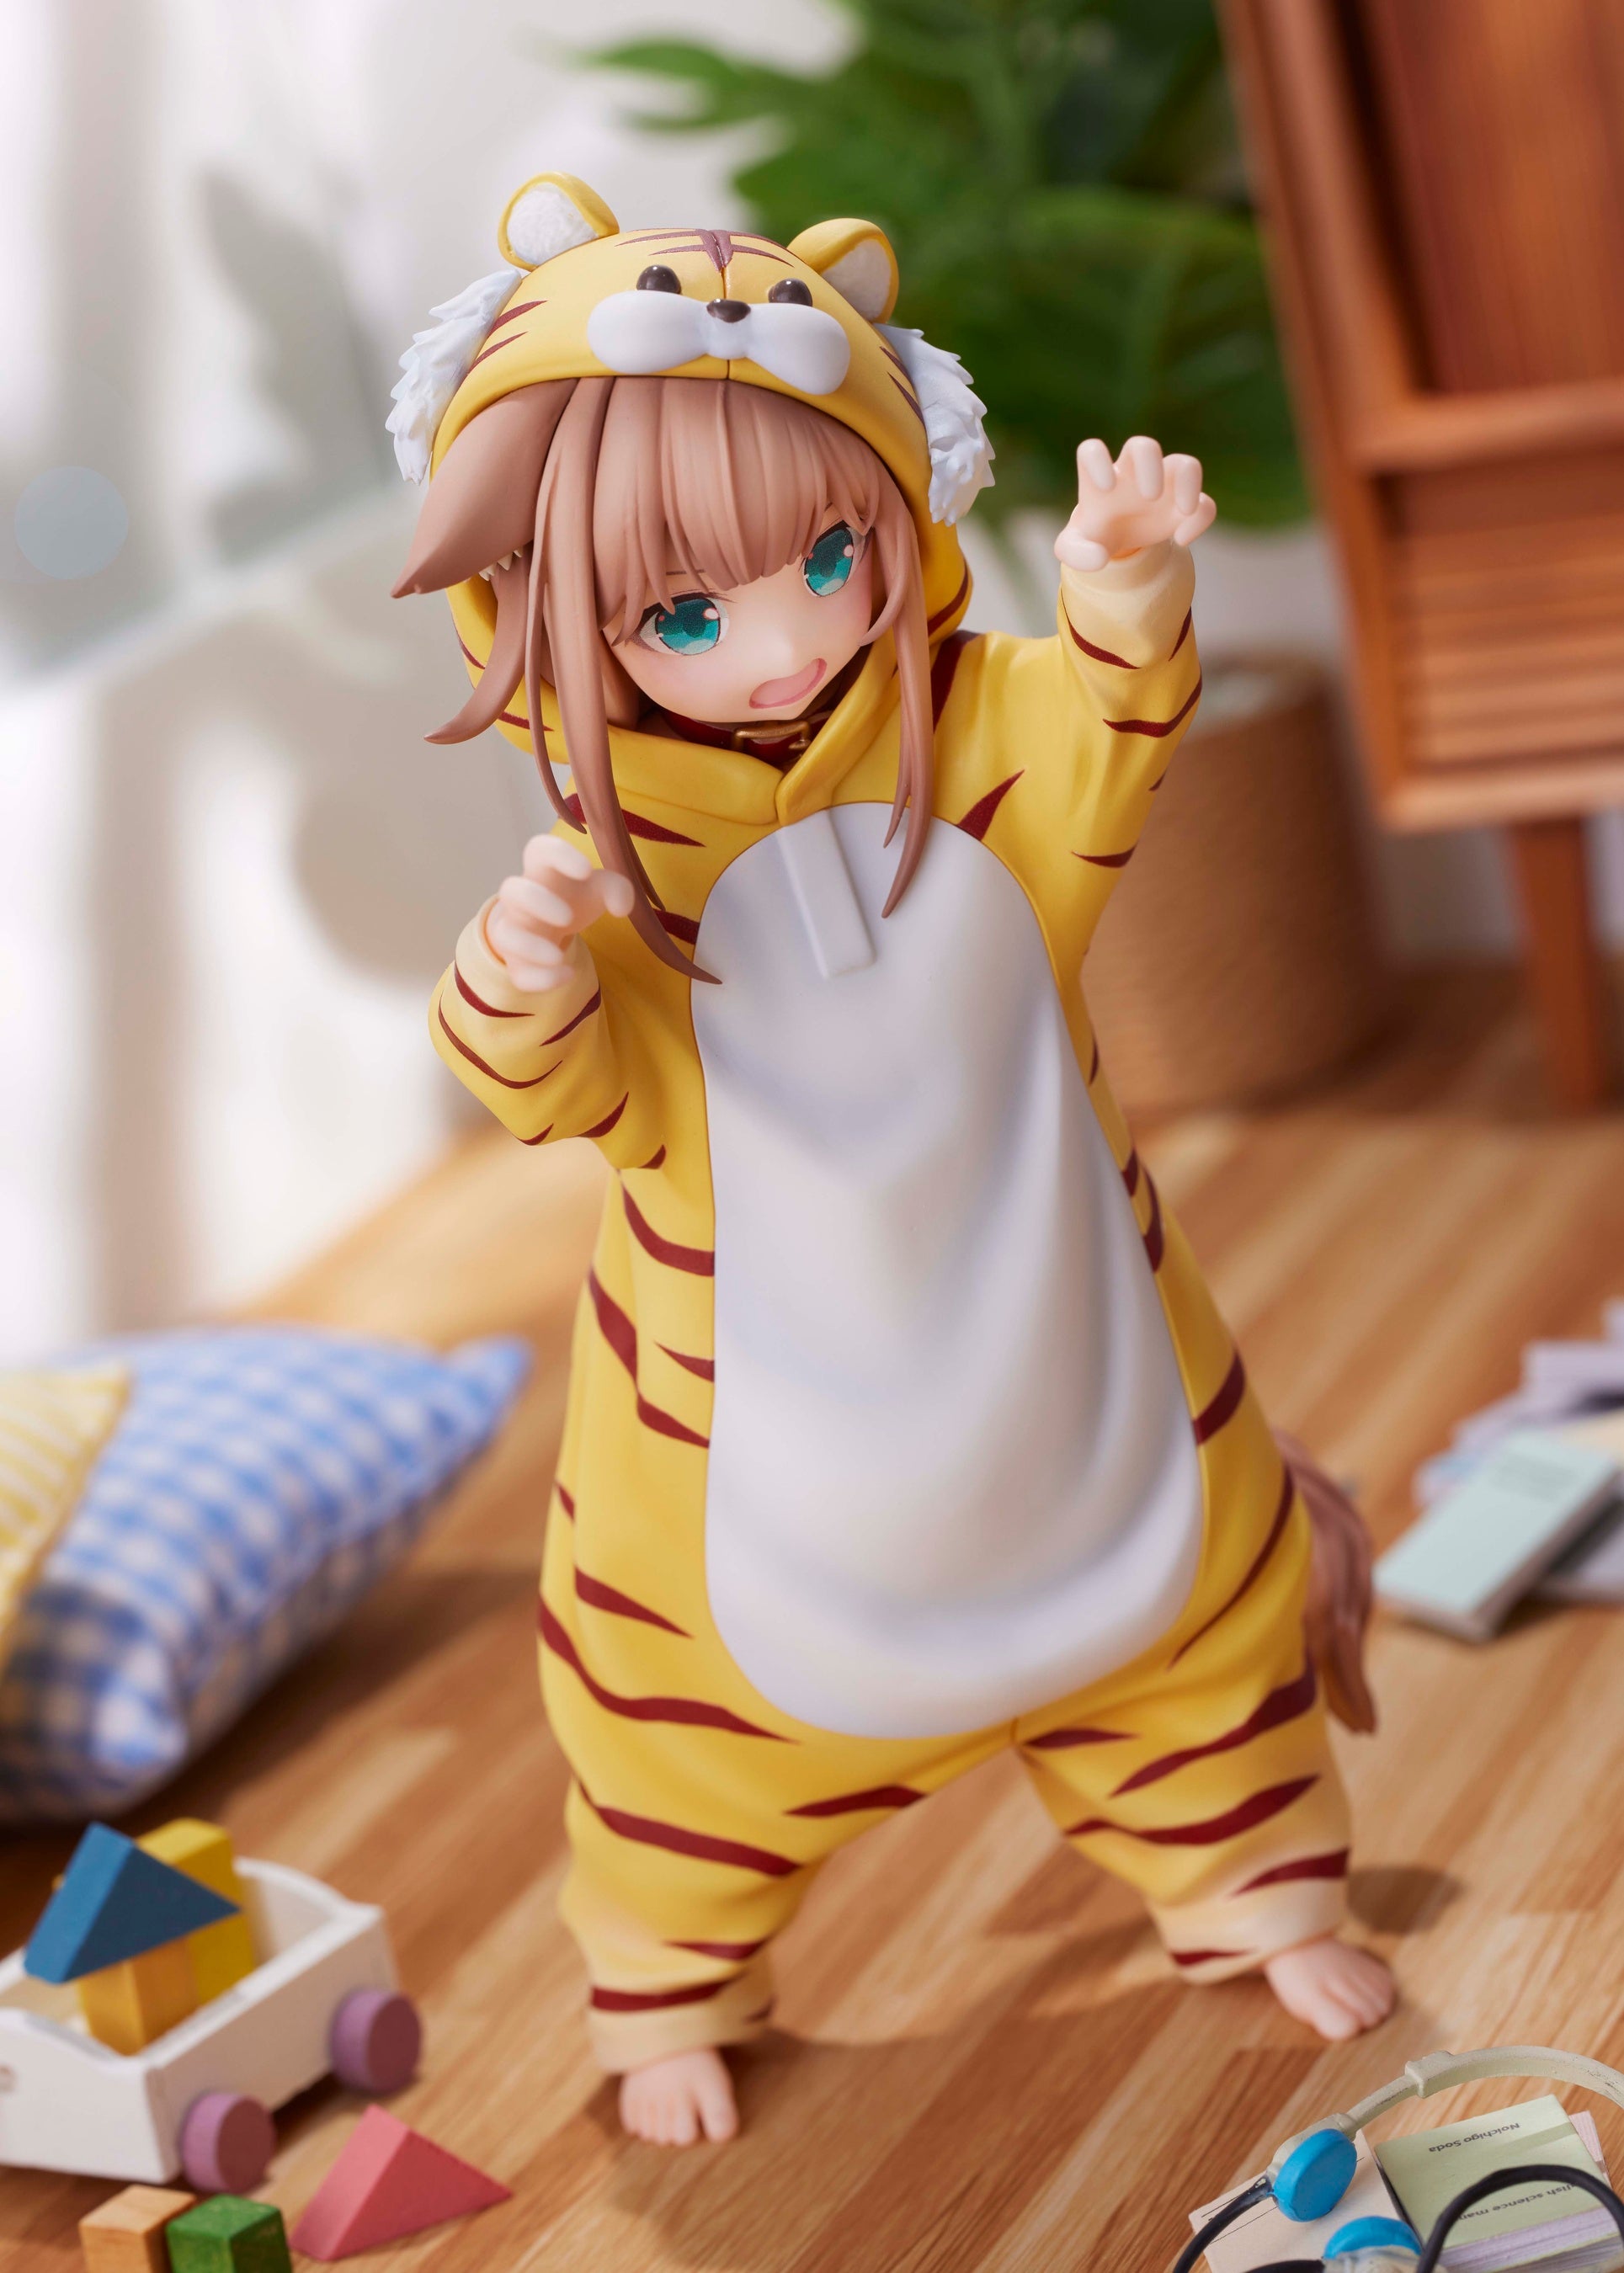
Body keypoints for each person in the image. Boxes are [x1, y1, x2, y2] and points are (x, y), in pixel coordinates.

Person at [395, 173, 1395, 2148]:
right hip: (748, 1484)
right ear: (532, 612)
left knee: (1191, 1636)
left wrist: (1119, 589)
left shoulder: (977, 740)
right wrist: (520, 970)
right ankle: (669, 1981)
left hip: (1074, 1367)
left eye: (828, 559)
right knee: (687, 1763)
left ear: (897, 512)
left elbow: (1101, 723)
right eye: (683, 615)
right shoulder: (610, 879)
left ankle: (1250, 1885)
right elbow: (553, 1086)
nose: (776, 648)